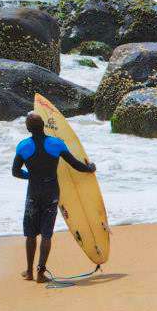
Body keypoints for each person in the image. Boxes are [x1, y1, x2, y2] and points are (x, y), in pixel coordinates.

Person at [12, 112, 96, 283]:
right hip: (51, 192)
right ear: (43, 126)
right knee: (46, 234)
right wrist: (90, 168)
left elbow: (15, 172)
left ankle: (29, 272)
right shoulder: (56, 144)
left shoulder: (23, 146)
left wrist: (31, 176)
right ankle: (40, 273)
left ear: (28, 129)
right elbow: (75, 164)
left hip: (33, 193)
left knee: (30, 234)